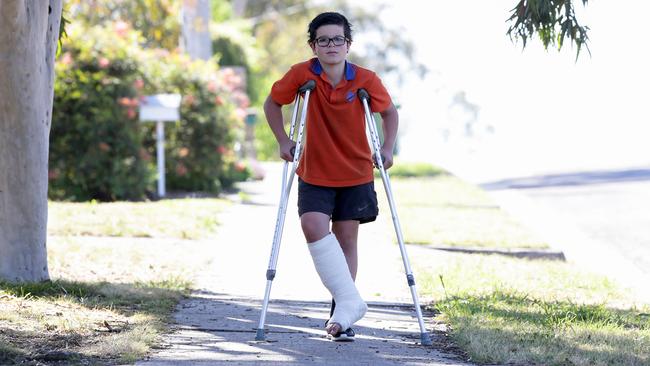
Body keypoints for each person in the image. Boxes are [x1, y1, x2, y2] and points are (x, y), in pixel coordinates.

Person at [263, 11, 399, 341]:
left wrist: (387, 147)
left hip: (355, 171)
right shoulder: (301, 75)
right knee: (312, 225)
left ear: (348, 44)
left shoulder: (365, 79)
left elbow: (389, 113)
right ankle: (352, 302)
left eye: (338, 39)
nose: (331, 45)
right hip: (315, 169)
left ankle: (342, 313)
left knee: (347, 239)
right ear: (314, 46)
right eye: (323, 40)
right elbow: (272, 103)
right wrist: (283, 140)